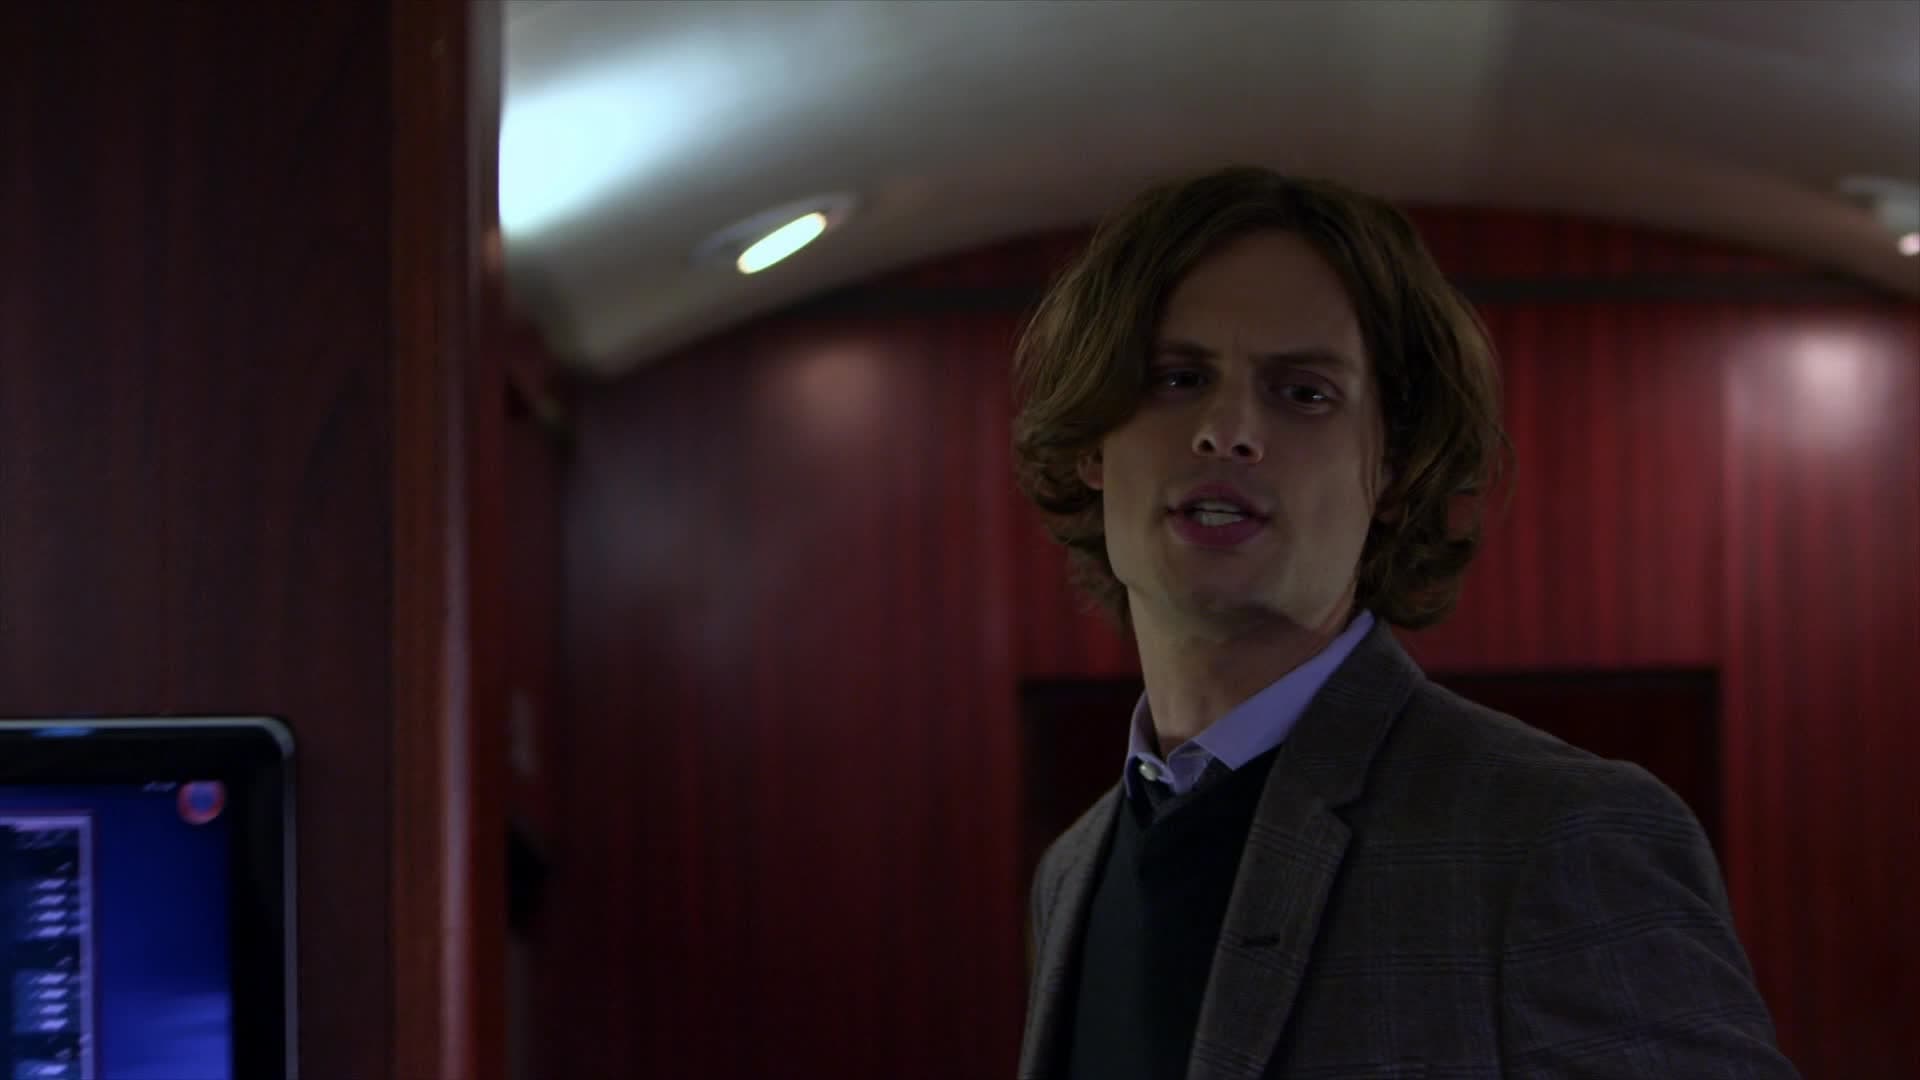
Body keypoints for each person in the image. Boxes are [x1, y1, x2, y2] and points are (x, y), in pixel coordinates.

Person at [1010, 167, 1796, 1079]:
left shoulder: (1560, 837)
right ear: (1092, 445)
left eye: (1303, 393)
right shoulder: (1072, 871)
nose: (1227, 431)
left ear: (1393, 469)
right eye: (1177, 378)